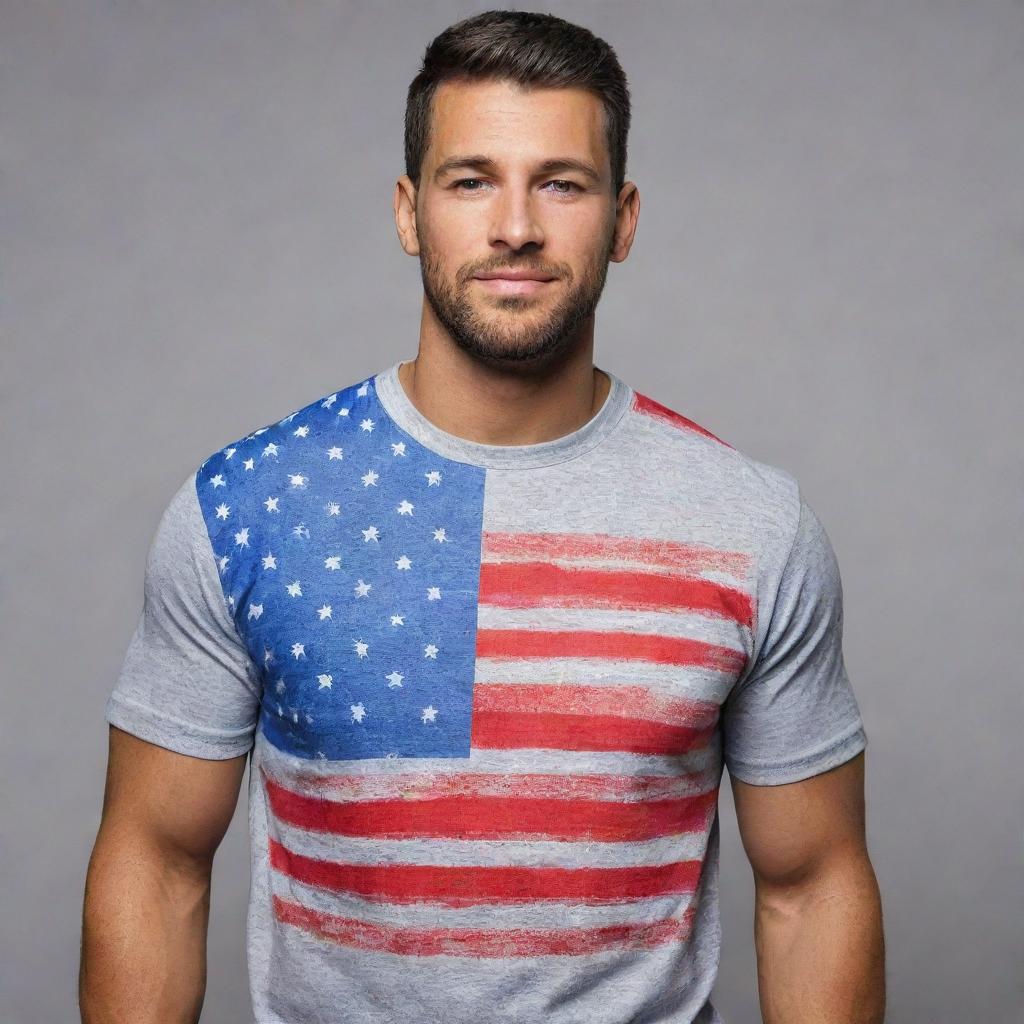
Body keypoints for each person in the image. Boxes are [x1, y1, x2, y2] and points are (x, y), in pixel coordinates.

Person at [80, 9, 885, 1024]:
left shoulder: (750, 523)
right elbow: (155, 859)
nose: (516, 225)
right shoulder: (249, 506)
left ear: (623, 218)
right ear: (410, 212)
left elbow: (811, 886)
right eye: (472, 181)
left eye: (561, 182)